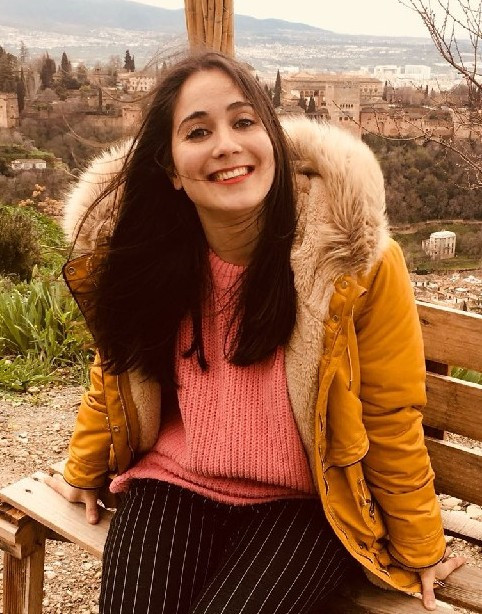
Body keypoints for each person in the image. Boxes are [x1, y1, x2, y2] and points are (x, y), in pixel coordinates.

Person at [46, 51, 464, 614]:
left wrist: (420, 546)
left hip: (308, 502)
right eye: (198, 131)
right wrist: (83, 468)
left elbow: (389, 413)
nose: (226, 145)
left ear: (274, 140)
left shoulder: (350, 261)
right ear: (171, 168)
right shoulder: (148, 252)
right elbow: (119, 364)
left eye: (244, 121)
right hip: (175, 481)